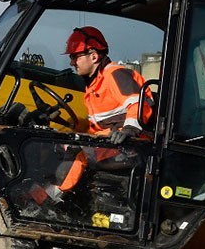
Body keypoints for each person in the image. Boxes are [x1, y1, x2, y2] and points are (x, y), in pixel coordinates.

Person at [22, 26, 154, 217]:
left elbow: (138, 104)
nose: (72, 62)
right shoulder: (93, 84)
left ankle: (46, 202)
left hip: (129, 145)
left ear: (93, 56)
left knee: (78, 151)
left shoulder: (115, 75)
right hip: (110, 141)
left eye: (75, 56)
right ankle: (37, 194)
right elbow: (96, 125)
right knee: (57, 145)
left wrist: (129, 129)